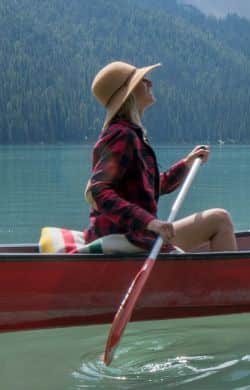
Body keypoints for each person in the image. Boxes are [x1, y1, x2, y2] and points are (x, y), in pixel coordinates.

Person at [83, 61, 237, 253]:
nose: (149, 83)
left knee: (219, 220)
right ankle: (226, 282)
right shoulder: (122, 135)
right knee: (220, 220)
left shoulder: (131, 134)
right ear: (129, 94)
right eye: (142, 80)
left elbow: (150, 187)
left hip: (138, 233)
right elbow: (97, 190)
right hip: (130, 235)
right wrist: (149, 222)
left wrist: (186, 165)